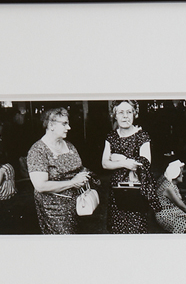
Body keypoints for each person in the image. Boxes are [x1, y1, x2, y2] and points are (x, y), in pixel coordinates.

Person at [25, 107, 90, 233]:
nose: (69, 127)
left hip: (77, 205)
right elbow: (41, 186)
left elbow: (79, 167)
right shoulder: (38, 151)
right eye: (65, 124)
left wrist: (84, 174)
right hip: (54, 210)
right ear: (51, 125)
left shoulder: (69, 145)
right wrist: (72, 182)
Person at [101, 99, 153, 234]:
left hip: (135, 188)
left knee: (136, 228)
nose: (125, 116)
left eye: (129, 112)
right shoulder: (111, 137)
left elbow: (145, 163)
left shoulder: (142, 136)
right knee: (117, 229)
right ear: (115, 115)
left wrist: (119, 158)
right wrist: (125, 163)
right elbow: (105, 163)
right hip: (116, 190)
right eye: (121, 112)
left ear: (135, 114)